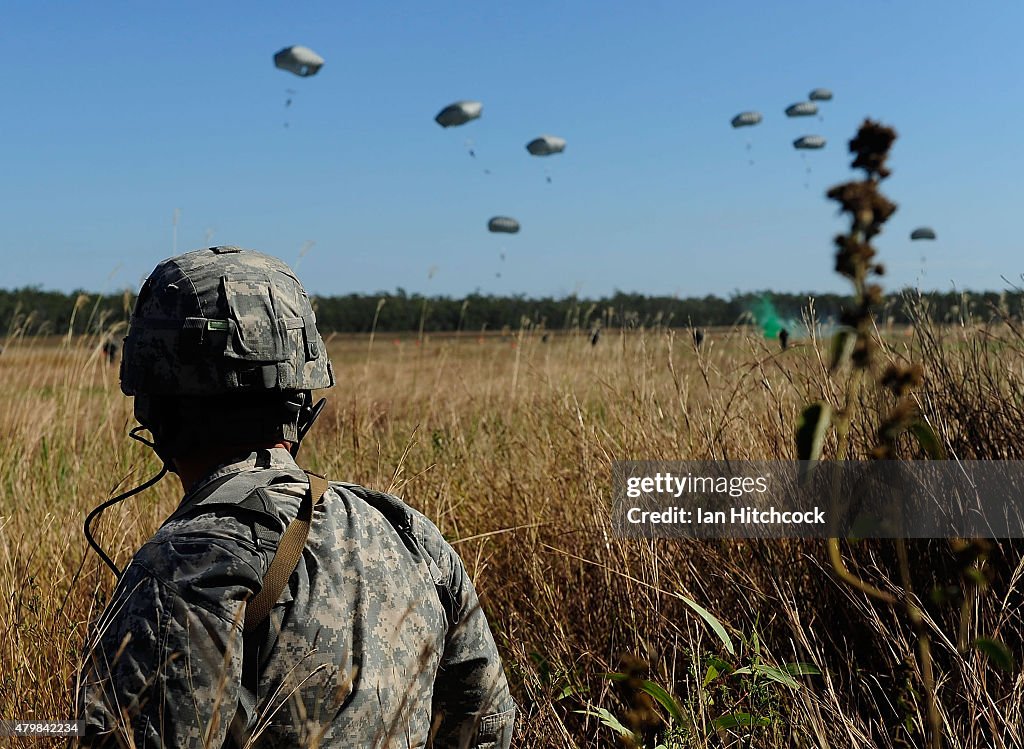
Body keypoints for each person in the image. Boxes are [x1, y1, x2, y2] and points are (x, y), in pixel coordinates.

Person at [77, 246, 515, 748]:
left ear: (153, 402)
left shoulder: (184, 565)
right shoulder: (410, 535)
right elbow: (487, 727)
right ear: (302, 394)